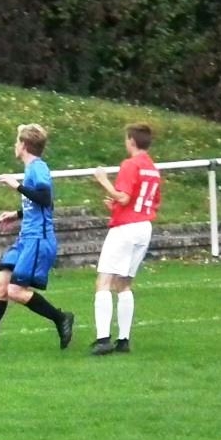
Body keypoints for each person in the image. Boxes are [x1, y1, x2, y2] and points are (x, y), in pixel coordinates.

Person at [0, 124, 74, 353]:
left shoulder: (38, 168)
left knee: (15, 291)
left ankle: (61, 318)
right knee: (0, 285)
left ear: (24, 145)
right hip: (26, 238)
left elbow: (45, 199)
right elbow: (41, 204)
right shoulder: (32, 169)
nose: (15, 145)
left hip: (38, 239)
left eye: (17, 141)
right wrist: (17, 214)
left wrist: (16, 186)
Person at [90, 123, 162, 355]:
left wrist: (103, 181)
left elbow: (123, 197)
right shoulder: (152, 168)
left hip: (125, 229)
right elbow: (146, 201)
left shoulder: (131, 164)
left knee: (104, 281)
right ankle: (123, 340)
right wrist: (116, 206)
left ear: (131, 140)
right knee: (124, 283)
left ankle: (103, 339)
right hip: (143, 227)